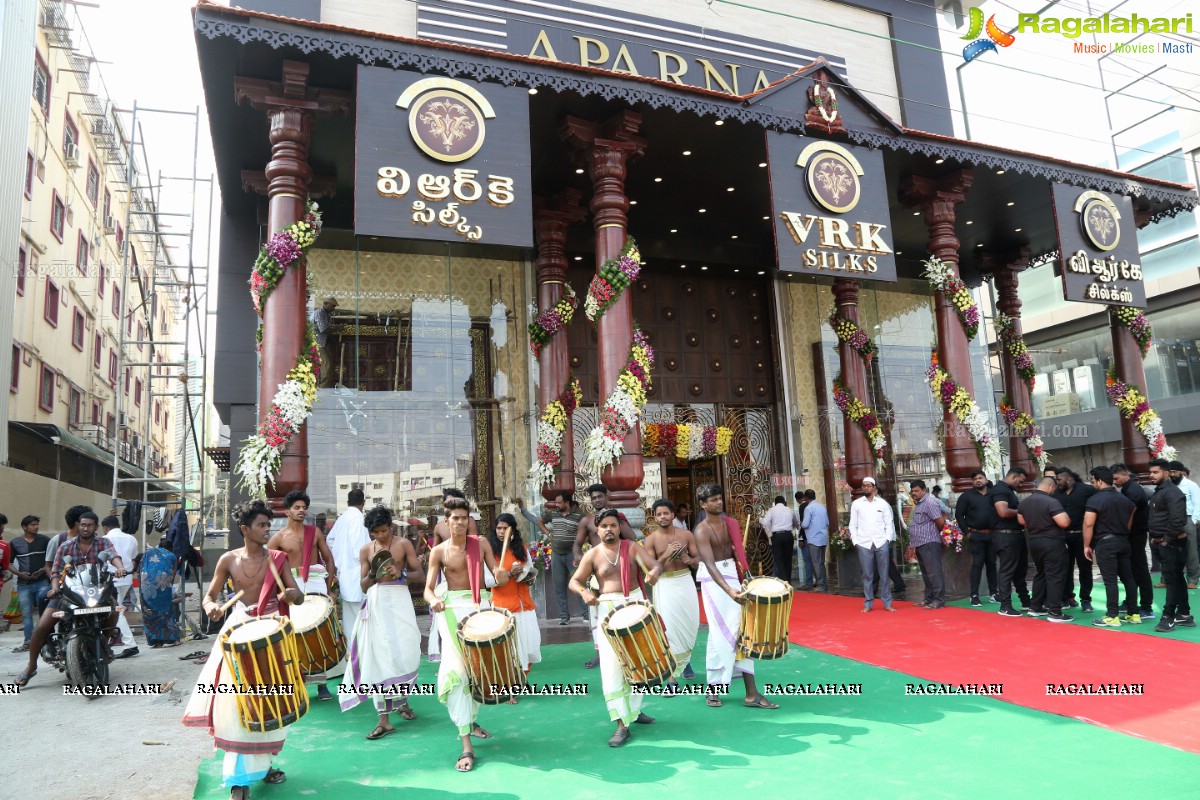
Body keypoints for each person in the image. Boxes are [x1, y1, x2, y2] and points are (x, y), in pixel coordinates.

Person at [184, 500, 305, 800]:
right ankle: (239, 781)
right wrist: (212, 608)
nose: (267, 530)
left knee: (269, 703)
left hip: (271, 633)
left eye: (268, 525)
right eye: (262, 525)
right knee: (237, 706)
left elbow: (297, 596)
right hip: (238, 634)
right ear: (244, 529)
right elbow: (210, 596)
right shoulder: (228, 560)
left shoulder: (278, 558)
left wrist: (293, 594)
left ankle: (263, 766)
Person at [423, 497, 510, 772]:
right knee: (458, 675)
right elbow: (427, 589)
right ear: (446, 522)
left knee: (477, 672)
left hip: (480, 609)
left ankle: (470, 721)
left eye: (465, 517)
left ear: (469, 520)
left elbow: (496, 575)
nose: (460, 522)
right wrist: (433, 600)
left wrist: (503, 575)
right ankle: (466, 744)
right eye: (455, 518)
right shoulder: (438, 551)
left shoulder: (481, 543)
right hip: (451, 613)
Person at [570, 509, 663, 745]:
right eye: (604, 526)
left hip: (633, 605)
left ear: (619, 527)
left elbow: (656, 566)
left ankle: (635, 710)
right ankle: (622, 723)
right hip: (607, 611)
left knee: (637, 661)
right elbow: (575, 581)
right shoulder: (592, 555)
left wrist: (653, 574)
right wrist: (584, 592)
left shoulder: (632, 548)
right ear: (597, 529)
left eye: (613, 525)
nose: (609, 529)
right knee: (612, 666)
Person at [693, 483, 778, 709]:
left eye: (720, 498)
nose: (718, 502)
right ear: (702, 504)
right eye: (712, 500)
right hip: (714, 582)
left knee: (743, 631)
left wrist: (743, 577)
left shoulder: (729, 523)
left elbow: (736, 554)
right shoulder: (701, 530)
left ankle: (750, 693)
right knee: (722, 633)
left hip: (733, 574)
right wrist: (728, 589)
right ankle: (717, 689)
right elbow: (709, 564)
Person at [17, 511, 128, 686]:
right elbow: (55, 571)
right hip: (69, 593)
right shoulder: (66, 546)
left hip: (96, 592)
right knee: (41, 627)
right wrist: (54, 588)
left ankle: (104, 647)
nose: (85, 528)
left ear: (96, 527)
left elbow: (114, 556)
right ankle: (31, 666)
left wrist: (120, 567)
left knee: (114, 612)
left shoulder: (103, 542)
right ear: (78, 525)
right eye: (83, 525)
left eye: (89, 525)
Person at [340, 505, 423, 738]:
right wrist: (373, 575)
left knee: (405, 651)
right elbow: (363, 586)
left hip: (400, 602)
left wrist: (402, 574)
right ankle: (384, 719)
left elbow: (420, 575)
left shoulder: (403, 544)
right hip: (377, 604)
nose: (380, 535)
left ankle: (403, 701)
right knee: (380, 656)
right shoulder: (366, 550)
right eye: (375, 532)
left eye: (384, 530)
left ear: (391, 526)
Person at [268, 489, 338, 702]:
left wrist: (329, 587)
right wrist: (278, 591)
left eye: (304, 508)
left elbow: (329, 559)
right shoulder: (278, 538)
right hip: (293, 585)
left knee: (318, 632)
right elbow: (267, 564)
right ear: (287, 511)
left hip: (316, 582)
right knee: (297, 634)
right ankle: (298, 684)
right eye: (297, 507)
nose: (301, 511)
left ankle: (322, 684)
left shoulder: (314, 532)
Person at [574, 483, 636, 669]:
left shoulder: (618, 518)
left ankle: (626, 652)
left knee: (622, 611)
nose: (597, 500)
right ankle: (600, 653)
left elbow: (632, 538)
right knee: (597, 614)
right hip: (597, 571)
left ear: (606, 497)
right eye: (594, 498)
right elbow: (577, 544)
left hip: (618, 570)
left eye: (600, 496)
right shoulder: (587, 521)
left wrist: (616, 524)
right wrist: (579, 558)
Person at [644, 499, 699, 694]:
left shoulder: (686, 535)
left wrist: (689, 559)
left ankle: (687, 662)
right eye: (659, 514)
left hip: (685, 581)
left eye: (666, 513)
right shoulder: (650, 540)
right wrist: (666, 554)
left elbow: (697, 561)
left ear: (673, 514)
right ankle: (671, 677)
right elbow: (651, 568)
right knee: (668, 628)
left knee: (690, 624)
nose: (663, 517)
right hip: (664, 585)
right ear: (655, 517)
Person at [487, 512, 541, 692]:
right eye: (499, 528)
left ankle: (521, 680)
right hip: (504, 608)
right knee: (510, 651)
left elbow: (530, 574)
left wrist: (526, 575)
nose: (502, 532)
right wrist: (509, 574)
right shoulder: (491, 553)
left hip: (525, 606)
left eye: (505, 528)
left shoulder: (522, 548)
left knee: (530, 645)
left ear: (513, 530)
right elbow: (487, 581)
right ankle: (508, 687)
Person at [517, 491, 582, 625]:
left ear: (567, 503)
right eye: (556, 502)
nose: (556, 505)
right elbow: (537, 520)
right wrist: (547, 532)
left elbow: (588, 527)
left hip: (572, 554)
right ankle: (564, 617)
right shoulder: (553, 514)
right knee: (559, 586)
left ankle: (586, 615)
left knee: (579, 583)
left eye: (559, 502)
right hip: (557, 554)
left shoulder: (578, 515)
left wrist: (580, 543)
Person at [1083, 466, 1137, 628]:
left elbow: (1088, 524)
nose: (1092, 484)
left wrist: (1086, 545)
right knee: (1128, 578)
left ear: (1100, 481)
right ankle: (1134, 613)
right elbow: (1130, 520)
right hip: (1123, 541)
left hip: (1106, 543)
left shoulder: (1095, 500)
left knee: (1110, 581)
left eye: (1093, 481)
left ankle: (1112, 615)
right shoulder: (1125, 500)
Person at [1017, 476, 1073, 622]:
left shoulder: (1025, 502)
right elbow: (1064, 522)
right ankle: (1055, 612)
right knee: (1055, 575)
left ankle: (1035, 607)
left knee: (1041, 573)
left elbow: (1022, 521)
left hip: (1034, 541)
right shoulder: (1051, 501)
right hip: (1052, 541)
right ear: (1050, 487)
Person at [1147, 458, 1193, 633]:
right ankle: (1184, 615)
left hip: (1172, 543)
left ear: (1166, 473)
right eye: (1151, 472)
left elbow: (1177, 519)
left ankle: (1168, 616)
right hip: (1163, 542)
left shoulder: (1172, 492)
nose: (1151, 475)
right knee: (1176, 578)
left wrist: (1166, 539)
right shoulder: (1160, 491)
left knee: (1172, 581)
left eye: (1155, 472)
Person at [326, 488, 370, 642]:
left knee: (350, 620)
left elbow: (330, 540)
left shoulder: (343, 517)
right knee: (362, 619)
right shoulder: (358, 518)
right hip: (358, 573)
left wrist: (339, 558)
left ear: (347, 502)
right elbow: (360, 550)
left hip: (345, 573)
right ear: (363, 503)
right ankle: (360, 656)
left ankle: (351, 656)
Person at [1112, 464, 1154, 619]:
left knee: (1140, 569)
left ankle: (1146, 607)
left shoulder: (1133, 490)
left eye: (1116, 478)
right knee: (1131, 570)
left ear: (1124, 475)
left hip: (1136, 534)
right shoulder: (1128, 489)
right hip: (1133, 534)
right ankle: (1132, 602)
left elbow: (1130, 514)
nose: (1114, 482)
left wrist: (1124, 531)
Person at [849, 476, 896, 613]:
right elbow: (853, 525)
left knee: (884, 574)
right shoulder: (857, 504)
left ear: (874, 488)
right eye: (863, 485)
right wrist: (856, 541)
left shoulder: (883, 504)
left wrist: (887, 540)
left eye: (868, 485)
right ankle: (868, 603)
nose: (865, 487)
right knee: (867, 575)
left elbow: (889, 523)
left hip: (881, 542)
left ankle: (887, 603)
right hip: (864, 543)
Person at [1054, 467, 1097, 611]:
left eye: (1059, 479)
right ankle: (1066, 597)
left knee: (1085, 568)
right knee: (1065, 568)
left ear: (1068, 479)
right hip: (1063, 536)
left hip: (1082, 535)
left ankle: (1086, 599)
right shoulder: (1055, 493)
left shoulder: (1087, 490)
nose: (1057, 482)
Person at [991, 468, 1032, 617]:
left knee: (1020, 571)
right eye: (1020, 481)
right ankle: (1005, 605)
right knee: (1007, 571)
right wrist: (1023, 511)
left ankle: (1026, 602)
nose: (1021, 485)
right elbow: (1002, 511)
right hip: (1005, 536)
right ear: (1013, 477)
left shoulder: (1007, 490)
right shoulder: (1000, 490)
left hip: (1015, 535)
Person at [956, 471, 998, 606]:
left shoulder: (994, 494)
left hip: (992, 535)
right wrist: (967, 532)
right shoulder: (966, 496)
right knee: (977, 564)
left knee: (992, 564)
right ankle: (974, 595)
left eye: (980, 478)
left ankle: (994, 593)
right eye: (975, 479)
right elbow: (959, 515)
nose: (978, 481)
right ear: (972, 482)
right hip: (976, 534)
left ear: (986, 479)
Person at [102, 515, 140, 659]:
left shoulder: (105, 539)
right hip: (127, 578)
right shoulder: (131, 538)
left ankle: (130, 644)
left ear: (105, 528)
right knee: (115, 610)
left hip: (112, 580)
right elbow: (133, 557)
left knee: (116, 612)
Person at [10, 515, 50, 652]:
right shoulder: (15, 543)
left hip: (43, 582)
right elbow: (8, 564)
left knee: (45, 612)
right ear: (24, 527)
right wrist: (19, 574)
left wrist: (42, 570)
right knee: (26, 614)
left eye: (37, 524)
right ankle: (28, 641)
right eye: (32, 525)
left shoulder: (45, 540)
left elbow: (51, 560)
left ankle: (46, 640)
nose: (36, 527)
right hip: (23, 584)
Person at [907, 481, 946, 609]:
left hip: (929, 542)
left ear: (924, 490)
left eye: (917, 491)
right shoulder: (920, 504)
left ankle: (939, 599)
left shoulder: (929, 502)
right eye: (912, 491)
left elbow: (940, 521)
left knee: (934, 572)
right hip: (920, 543)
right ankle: (928, 598)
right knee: (926, 573)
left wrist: (939, 535)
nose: (914, 493)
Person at [139, 535, 182, 647]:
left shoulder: (148, 552)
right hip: (162, 586)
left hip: (146, 587)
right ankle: (174, 638)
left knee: (149, 612)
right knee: (166, 612)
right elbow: (172, 573)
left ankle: (156, 640)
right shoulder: (172, 556)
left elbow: (141, 568)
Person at [1167, 461, 1200, 588]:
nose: (1172, 474)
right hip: (1171, 520)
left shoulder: (1191, 485)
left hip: (1187, 519)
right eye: (1170, 472)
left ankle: (1192, 580)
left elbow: (1198, 503)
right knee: (1168, 549)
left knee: (1191, 550)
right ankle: (1167, 579)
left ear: (1181, 472)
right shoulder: (1168, 485)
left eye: (1175, 472)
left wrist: (1194, 520)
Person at [760, 496, 797, 585]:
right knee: (788, 559)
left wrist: (759, 519)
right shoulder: (790, 510)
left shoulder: (772, 510)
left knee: (779, 560)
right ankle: (789, 581)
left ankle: (784, 583)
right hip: (788, 535)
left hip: (777, 537)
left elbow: (765, 523)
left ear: (775, 503)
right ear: (784, 502)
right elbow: (796, 523)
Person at [44, 504, 90, 575]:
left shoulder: (95, 540)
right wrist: (56, 582)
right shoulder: (58, 540)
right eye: (85, 523)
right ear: (77, 523)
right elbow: (48, 566)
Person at [801, 490, 829, 592]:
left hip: (813, 538)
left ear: (806, 498)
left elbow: (805, 524)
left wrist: (801, 524)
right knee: (821, 562)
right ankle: (824, 584)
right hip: (823, 537)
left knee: (816, 563)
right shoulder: (822, 507)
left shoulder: (808, 508)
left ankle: (820, 585)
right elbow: (827, 522)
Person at [311, 296, 338, 388]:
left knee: (329, 366)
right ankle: (322, 389)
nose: (333, 308)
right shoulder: (319, 313)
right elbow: (323, 329)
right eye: (332, 306)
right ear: (325, 304)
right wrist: (337, 328)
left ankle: (326, 387)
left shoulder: (326, 314)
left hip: (324, 342)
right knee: (327, 366)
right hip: (317, 342)